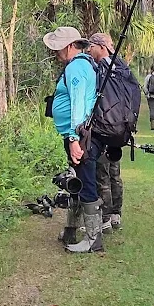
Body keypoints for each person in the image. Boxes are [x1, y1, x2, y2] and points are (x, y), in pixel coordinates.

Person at [42, 26, 104, 253]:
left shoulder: (76, 67)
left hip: (82, 136)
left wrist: (73, 138)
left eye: (58, 48)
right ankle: (72, 230)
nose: (55, 53)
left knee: (86, 183)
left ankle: (93, 239)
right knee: (77, 182)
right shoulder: (84, 65)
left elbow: (78, 104)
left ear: (69, 46)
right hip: (84, 135)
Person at [86, 33, 128, 231]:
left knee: (102, 175)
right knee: (114, 173)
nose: (88, 50)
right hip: (119, 129)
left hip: (104, 129)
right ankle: (115, 214)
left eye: (91, 46)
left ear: (101, 46)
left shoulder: (101, 69)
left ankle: (105, 218)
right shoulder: (120, 67)